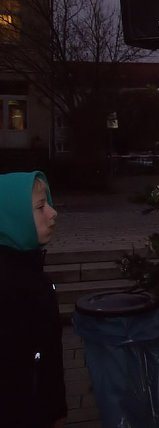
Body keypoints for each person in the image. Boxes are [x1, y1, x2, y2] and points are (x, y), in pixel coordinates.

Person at [0, 171, 66, 428]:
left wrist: (56, 409)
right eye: (40, 207)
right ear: (11, 217)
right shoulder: (10, 285)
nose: (52, 213)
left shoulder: (29, 270)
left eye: (48, 203)